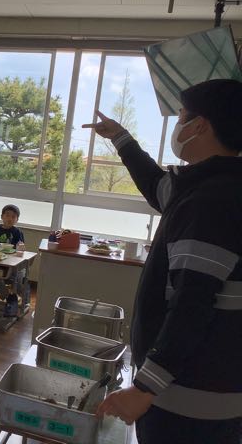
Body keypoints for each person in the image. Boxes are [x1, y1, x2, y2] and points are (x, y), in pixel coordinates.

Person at [86, 79, 242, 444]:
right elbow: (158, 187)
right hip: (201, 392)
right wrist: (121, 138)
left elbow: (192, 305)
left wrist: (144, 389)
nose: (178, 125)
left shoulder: (212, 202)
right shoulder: (213, 184)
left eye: (182, 116)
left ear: (199, 125)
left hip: (190, 402)